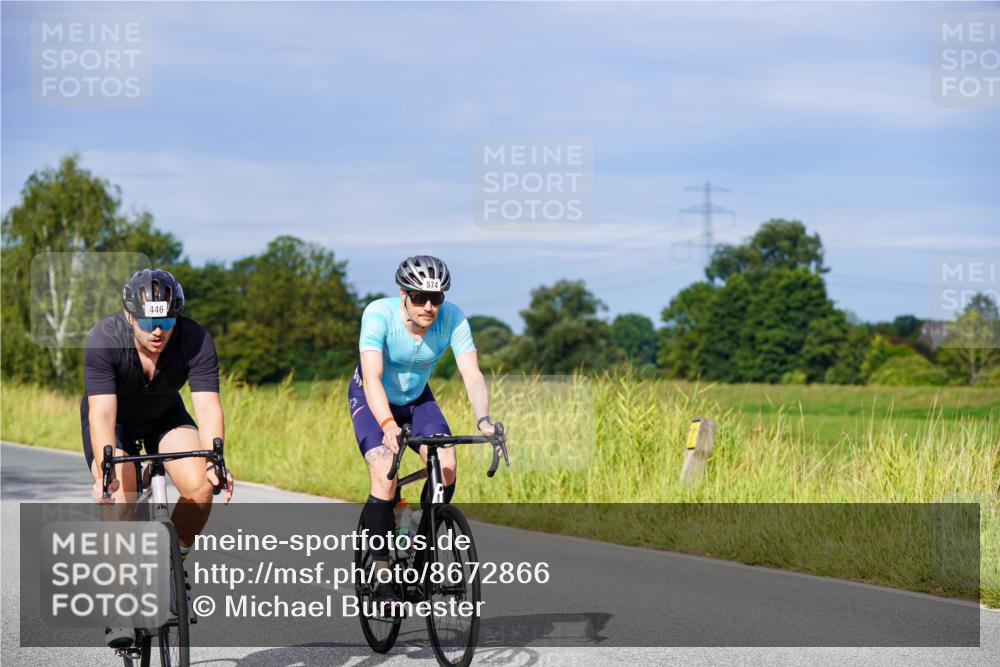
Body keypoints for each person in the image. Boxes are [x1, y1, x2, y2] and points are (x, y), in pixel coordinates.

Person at [81, 268, 234, 647]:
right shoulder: (104, 339)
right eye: (148, 320)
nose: (157, 330)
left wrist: (216, 458)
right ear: (130, 315)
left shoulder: (195, 339)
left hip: (165, 417)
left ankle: (174, 565)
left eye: (166, 320)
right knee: (120, 497)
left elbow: (208, 405)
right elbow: (101, 414)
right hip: (115, 423)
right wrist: (105, 469)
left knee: (201, 486)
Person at [349, 255, 495, 603]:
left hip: (417, 400)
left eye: (437, 298)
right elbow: (371, 377)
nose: (429, 307)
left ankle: (420, 546)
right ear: (402, 293)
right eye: (419, 298)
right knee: (385, 473)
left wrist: (484, 419)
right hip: (373, 398)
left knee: (446, 466)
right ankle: (382, 568)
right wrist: (386, 424)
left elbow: (471, 374)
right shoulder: (378, 314)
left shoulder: (454, 318)